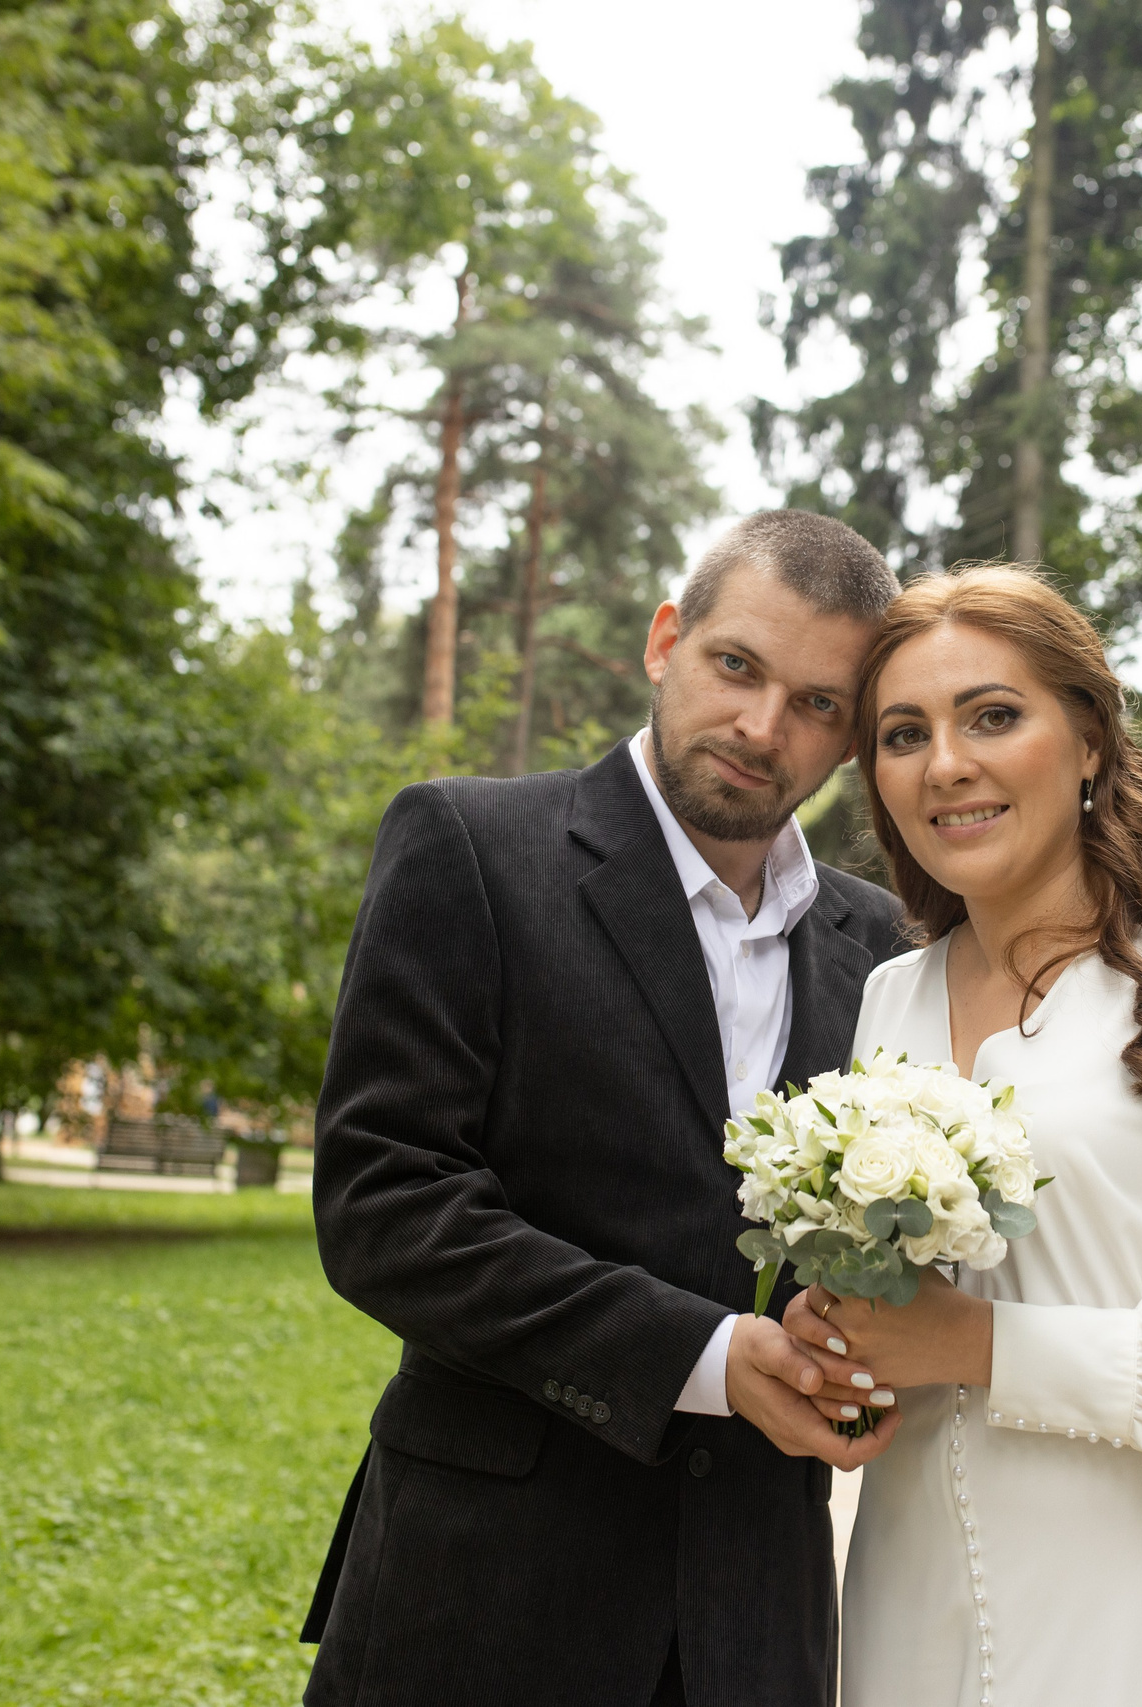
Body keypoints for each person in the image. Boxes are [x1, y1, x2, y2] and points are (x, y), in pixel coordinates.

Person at [298, 511, 913, 1707]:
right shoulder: (469, 846)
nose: (759, 727)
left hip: (759, 1620)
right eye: (736, 666)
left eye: (816, 703)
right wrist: (702, 1354)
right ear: (665, 639)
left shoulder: (883, 949)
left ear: (851, 736)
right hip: (485, 1598)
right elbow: (385, 1206)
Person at [783, 567, 1142, 1706]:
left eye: (993, 716)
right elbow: (909, 1302)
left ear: (1092, 738)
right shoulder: (889, 999)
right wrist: (843, 1330)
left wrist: (978, 1344)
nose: (945, 763)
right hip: (914, 1607)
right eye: (902, 733)